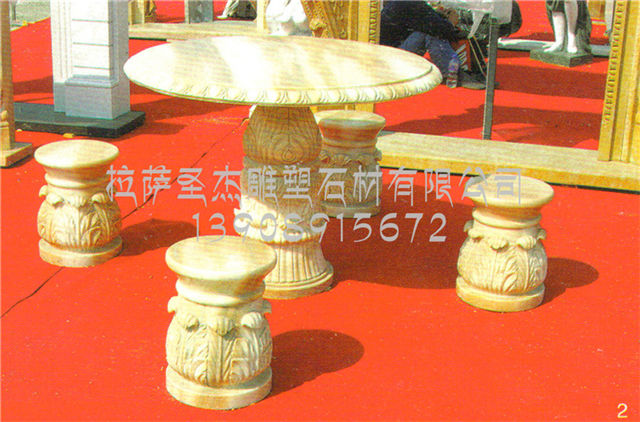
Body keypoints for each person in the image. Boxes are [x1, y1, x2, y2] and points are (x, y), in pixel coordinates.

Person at [380, 0, 485, 89]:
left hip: (387, 56)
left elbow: (422, 18)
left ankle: (453, 71)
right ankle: (451, 73)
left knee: (431, 29)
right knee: (431, 33)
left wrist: (437, 14)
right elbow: (440, 28)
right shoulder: (411, 3)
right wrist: (451, 22)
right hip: (392, 60)